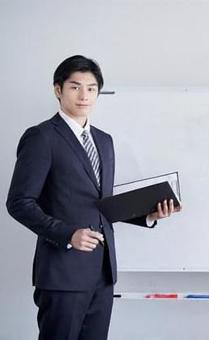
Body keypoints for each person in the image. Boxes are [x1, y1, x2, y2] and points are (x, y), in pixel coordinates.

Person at [6, 55, 180, 340]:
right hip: (62, 274)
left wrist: (148, 215)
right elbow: (19, 202)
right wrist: (67, 234)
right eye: (75, 87)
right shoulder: (41, 137)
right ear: (58, 90)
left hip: (102, 274)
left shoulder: (104, 140)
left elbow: (102, 205)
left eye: (91, 88)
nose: (84, 95)